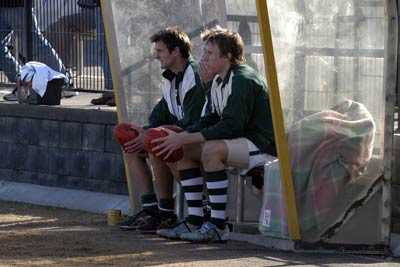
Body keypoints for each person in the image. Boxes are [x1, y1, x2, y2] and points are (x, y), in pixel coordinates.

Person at [152, 26, 277, 242]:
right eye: (205, 53)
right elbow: (209, 118)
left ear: (227, 55)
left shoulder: (242, 79)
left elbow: (231, 127)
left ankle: (218, 226)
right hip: (241, 142)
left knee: (211, 150)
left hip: (262, 145)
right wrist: (182, 136)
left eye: (210, 53)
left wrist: (184, 136)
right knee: (183, 150)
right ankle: (195, 221)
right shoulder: (218, 80)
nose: (204, 58)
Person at [118, 27, 205, 233]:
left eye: (160, 51)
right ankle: (151, 210)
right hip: (181, 136)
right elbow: (159, 114)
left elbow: (193, 122)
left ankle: (170, 213)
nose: (156, 56)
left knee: (155, 141)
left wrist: (150, 135)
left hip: (198, 137)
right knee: (129, 140)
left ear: (176, 51)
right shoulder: (169, 77)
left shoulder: (194, 75)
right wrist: (143, 132)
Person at [0, 1, 69, 101]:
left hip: (16, 5)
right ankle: (23, 84)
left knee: (34, 44)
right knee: (34, 43)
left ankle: (62, 81)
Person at [77, 0, 114, 106]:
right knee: (103, 49)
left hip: (114, 7)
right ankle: (109, 91)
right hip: (100, 6)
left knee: (112, 48)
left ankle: (117, 94)